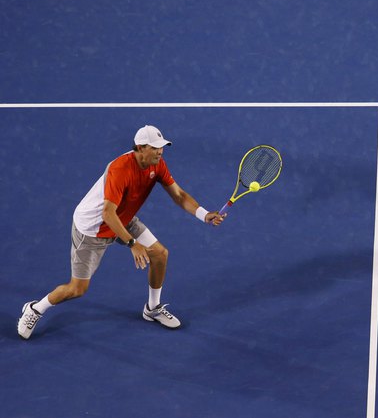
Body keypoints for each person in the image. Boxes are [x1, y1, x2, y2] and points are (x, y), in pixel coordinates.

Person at [17, 125, 225, 340]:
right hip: (93, 228)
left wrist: (204, 214)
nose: (160, 152)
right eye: (155, 148)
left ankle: (152, 309)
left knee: (160, 254)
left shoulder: (157, 164)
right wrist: (132, 244)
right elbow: (107, 214)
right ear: (140, 148)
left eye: (161, 147)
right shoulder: (120, 169)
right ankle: (35, 308)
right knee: (77, 289)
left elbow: (179, 195)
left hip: (122, 217)